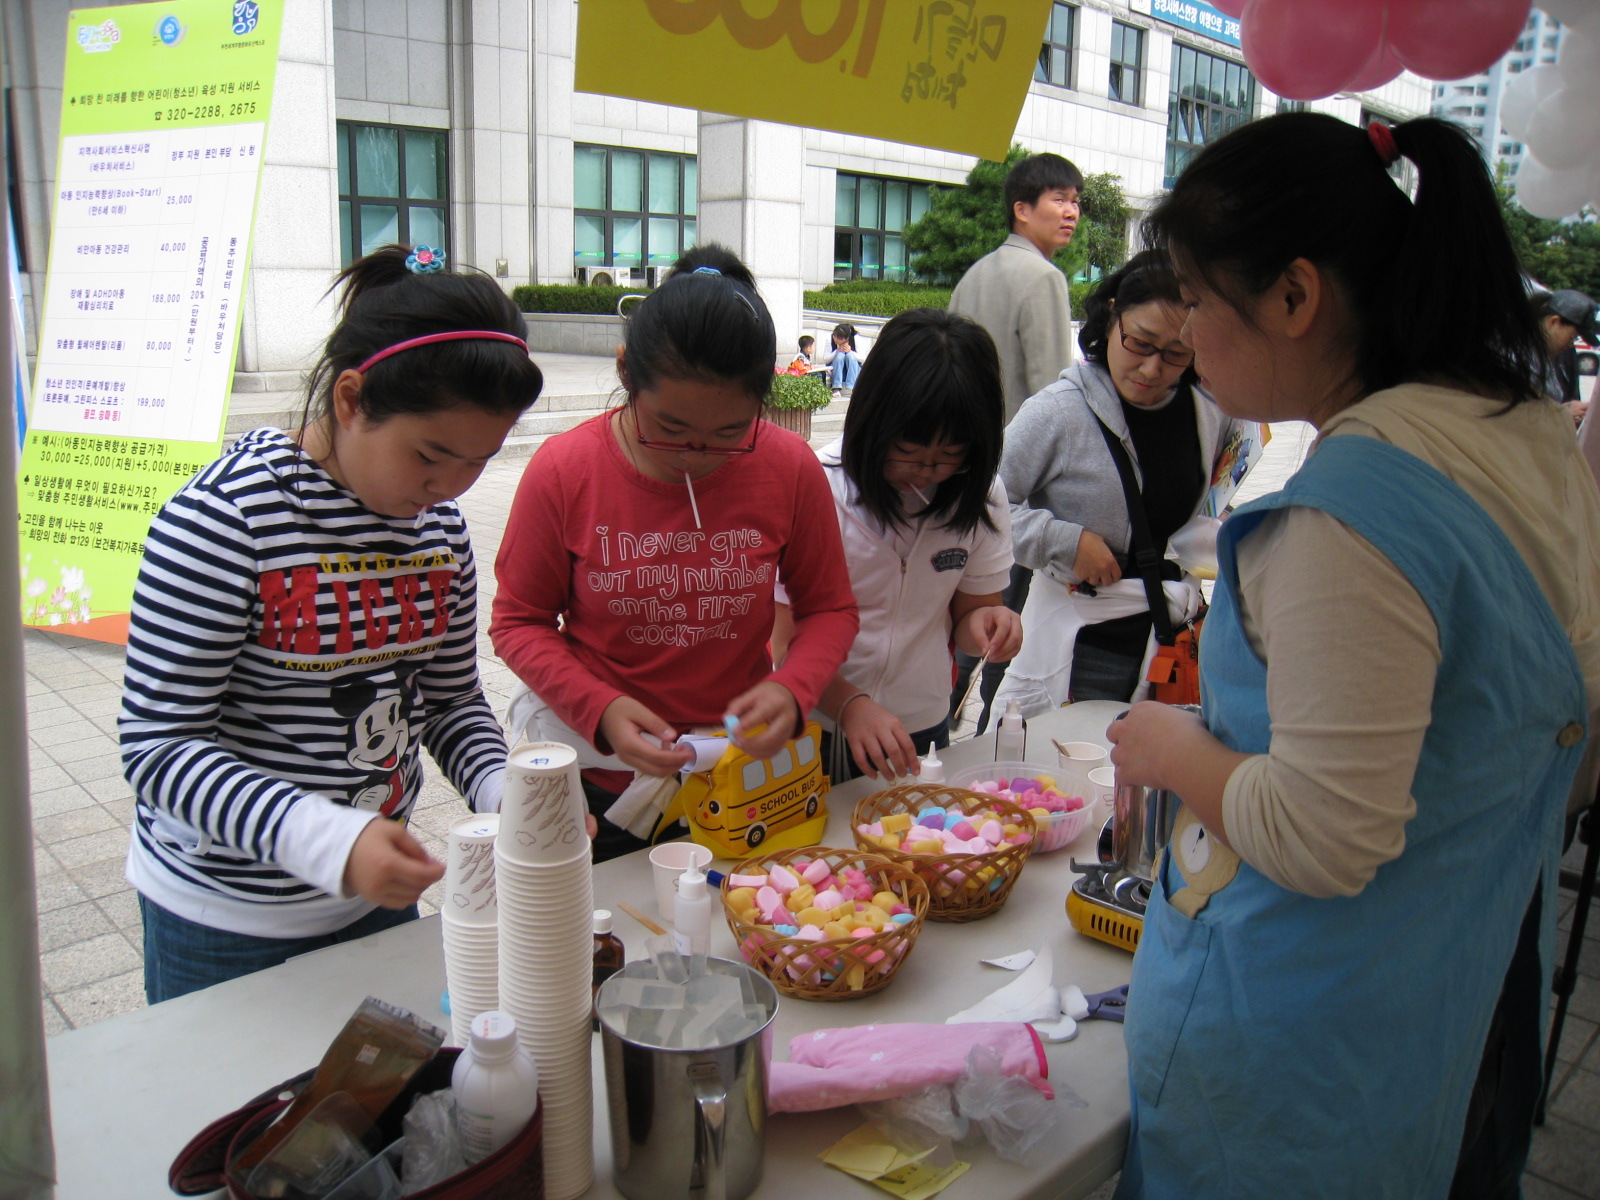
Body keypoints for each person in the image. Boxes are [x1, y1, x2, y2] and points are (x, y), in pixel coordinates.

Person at [1104, 113, 1600, 1200]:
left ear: (1292, 294)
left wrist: (1170, 745)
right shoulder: (1516, 429)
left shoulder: (1350, 515)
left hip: (1298, 1048)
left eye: (1193, 296)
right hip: (1448, 989)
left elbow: (1325, 836)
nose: (1183, 332)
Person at [120, 245, 548, 1004]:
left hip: (370, 895)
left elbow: (449, 702)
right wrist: (325, 840)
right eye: (430, 455)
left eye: (478, 464)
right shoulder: (225, 521)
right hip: (224, 917)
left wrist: (498, 790)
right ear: (351, 400)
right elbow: (158, 746)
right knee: (246, 1122)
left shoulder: (438, 533)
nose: (449, 488)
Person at [490, 244, 859, 862]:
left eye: (727, 434)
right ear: (625, 372)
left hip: (740, 776)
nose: (695, 454)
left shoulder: (789, 468)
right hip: (602, 784)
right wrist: (600, 709)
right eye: (669, 427)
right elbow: (517, 622)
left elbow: (830, 609)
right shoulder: (564, 471)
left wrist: (795, 688)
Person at [772, 308, 1021, 782]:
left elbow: (970, 618)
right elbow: (781, 642)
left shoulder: (980, 496)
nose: (927, 472)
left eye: (949, 457)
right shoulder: (819, 488)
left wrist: (991, 625)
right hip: (814, 729)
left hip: (921, 727)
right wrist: (849, 705)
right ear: (874, 422)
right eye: (908, 453)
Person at [992, 250, 1243, 712]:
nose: (1152, 369)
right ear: (1111, 316)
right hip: (1085, 646)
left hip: (1170, 638)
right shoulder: (1059, 412)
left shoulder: (1209, 409)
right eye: (1140, 343)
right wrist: (1064, 541)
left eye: (1175, 353)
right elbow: (980, 506)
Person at [948, 149, 1083, 730]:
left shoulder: (976, 272)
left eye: (1076, 201)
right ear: (1021, 209)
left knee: (961, 603)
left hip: (957, 467)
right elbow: (1058, 395)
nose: (1070, 212)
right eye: (1058, 199)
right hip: (1014, 479)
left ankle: (945, 715)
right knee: (1007, 618)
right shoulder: (1044, 278)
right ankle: (988, 733)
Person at [1533, 287, 1595, 425]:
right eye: (1572, 337)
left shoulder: (1549, 355)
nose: (1571, 344)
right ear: (1553, 322)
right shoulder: (1517, 356)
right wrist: (1561, 414)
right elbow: (1510, 416)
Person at [824, 322, 863, 397]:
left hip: (853, 368)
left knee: (850, 356)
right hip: (836, 368)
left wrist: (851, 351)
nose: (836, 340)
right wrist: (837, 351)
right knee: (840, 355)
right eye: (835, 336)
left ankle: (853, 386)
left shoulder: (855, 338)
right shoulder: (830, 339)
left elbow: (864, 359)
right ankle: (836, 387)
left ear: (846, 339)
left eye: (839, 338)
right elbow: (826, 360)